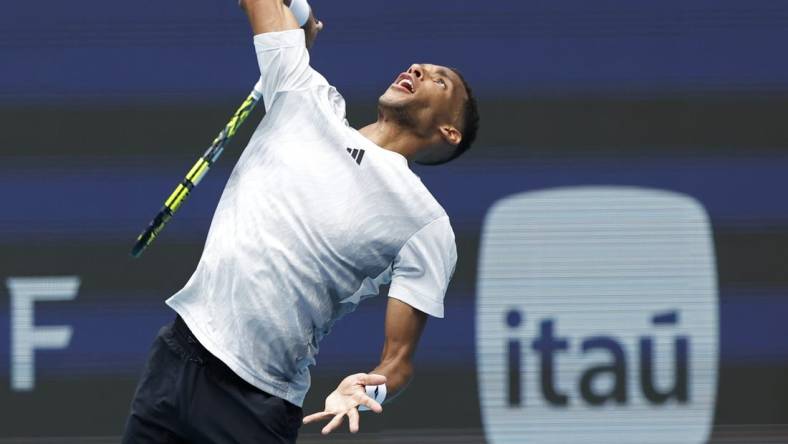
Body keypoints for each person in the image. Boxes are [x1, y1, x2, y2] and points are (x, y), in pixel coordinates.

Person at [122, 0, 479, 442]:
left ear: (449, 132)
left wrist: (367, 390)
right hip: (177, 356)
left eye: (438, 79)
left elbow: (398, 361)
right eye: (419, 66)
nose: (418, 70)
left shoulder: (426, 224)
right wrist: (301, 12)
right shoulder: (302, 95)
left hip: (255, 405)